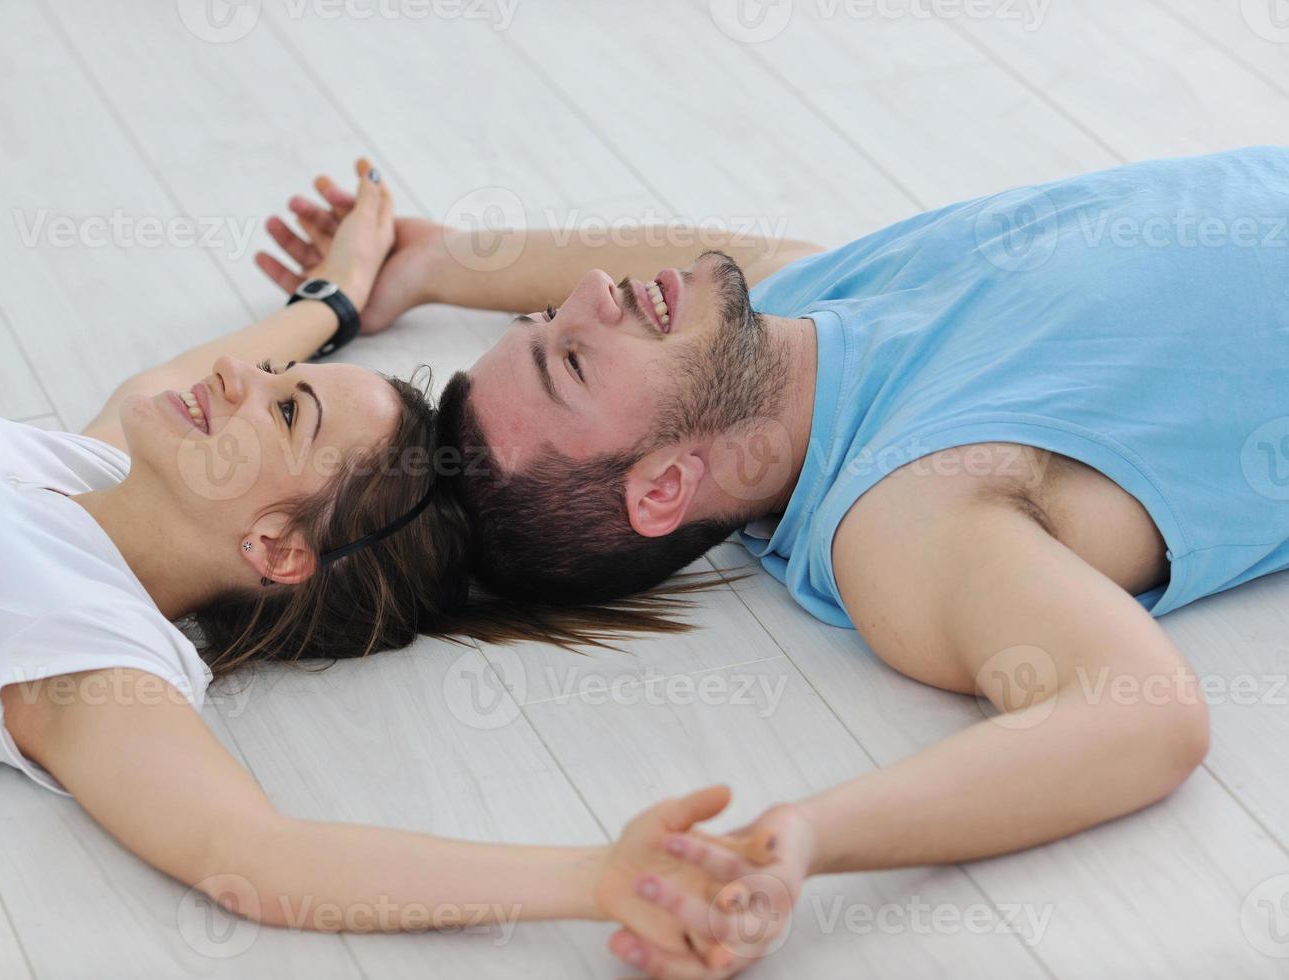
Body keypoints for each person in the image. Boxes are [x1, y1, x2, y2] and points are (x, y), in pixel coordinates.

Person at [260, 146, 1289, 963]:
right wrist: (807, 834)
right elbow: (1143, 714)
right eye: (572, 355)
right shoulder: (907, 516)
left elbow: (697, 256)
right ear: (664, 486)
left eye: (543, 319)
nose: (586, 292)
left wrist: (438, 263)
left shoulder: (805, 303)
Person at [0, 159, 806, 980]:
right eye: (278, 386)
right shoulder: (81, 463)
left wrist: (593, 877)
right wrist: (343, 290)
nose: (237, 381)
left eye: (286, 411)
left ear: (277, 549)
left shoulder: (84, 649)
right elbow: (213, 365)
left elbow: (251, 851)